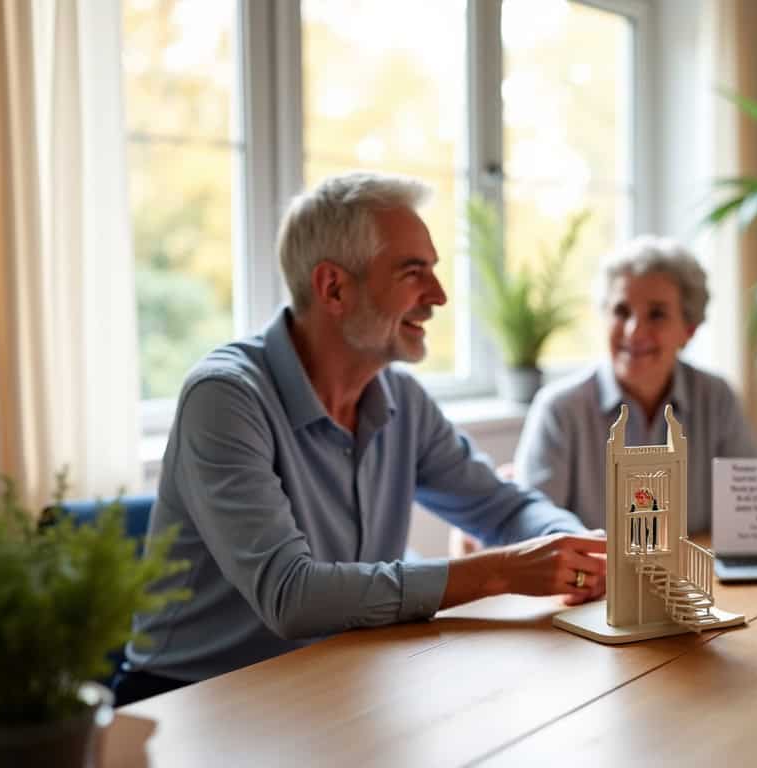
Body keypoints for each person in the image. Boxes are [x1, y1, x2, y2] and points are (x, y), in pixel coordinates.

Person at [115, 172, 607, 706]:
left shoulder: (401, 397)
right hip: (192, 702)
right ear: (334, 288)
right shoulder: (225, 398)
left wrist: (578, 550)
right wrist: (502, 572)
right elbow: (292, 596)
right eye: (412, 273)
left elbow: (501, 507)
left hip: (335, 681)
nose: (438, 296)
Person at [514, 236, 757, 533]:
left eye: (656, 314)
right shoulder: (559, 410)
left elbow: (747, 518)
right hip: (595, 577)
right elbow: (533, 538)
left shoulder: (717, 398)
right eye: (621, 311)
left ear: (689, 329)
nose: (634, 330)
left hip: (698, 577)